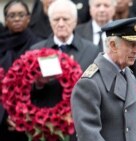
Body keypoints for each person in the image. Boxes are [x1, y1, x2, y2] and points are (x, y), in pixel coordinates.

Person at [71, 17, 136, 141]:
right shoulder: (90, 83)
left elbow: (129, 127)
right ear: (113, 45)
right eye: (131, 45)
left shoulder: (128, 74)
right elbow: (88, 135)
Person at [30, 0, 99, 140]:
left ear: (74, 21)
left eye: (65, 19)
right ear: (50, 22)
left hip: (80, 124)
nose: (61, 24)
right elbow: (26, 92)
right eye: (56, 19)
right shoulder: (36, 50)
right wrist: (38, 83)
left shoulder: (91, 50)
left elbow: (98, 87)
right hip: (47, 125)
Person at [0, 1, 41, 140]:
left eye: (21, 15)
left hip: (32, 117)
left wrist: (23, 115)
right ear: (5, 20)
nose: (17, 19)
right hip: (2, 118)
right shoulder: (1, 45)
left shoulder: (39, 45)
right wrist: (6, 114)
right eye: (12, 15)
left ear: (28, 18)